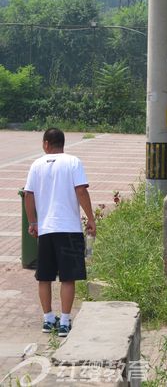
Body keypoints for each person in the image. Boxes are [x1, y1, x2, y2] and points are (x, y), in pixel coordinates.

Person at [24, 128, 96, 337]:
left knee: (44, 277)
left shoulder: (36, 165)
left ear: (46, 143)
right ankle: (64, 322)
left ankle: (48, 319)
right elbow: (81, 190)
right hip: (69, 229)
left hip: (46, 229)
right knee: (68, 278)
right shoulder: (73, 162)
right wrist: (90, 219)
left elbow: (28, 195)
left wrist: (33, 222)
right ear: (62, 143)